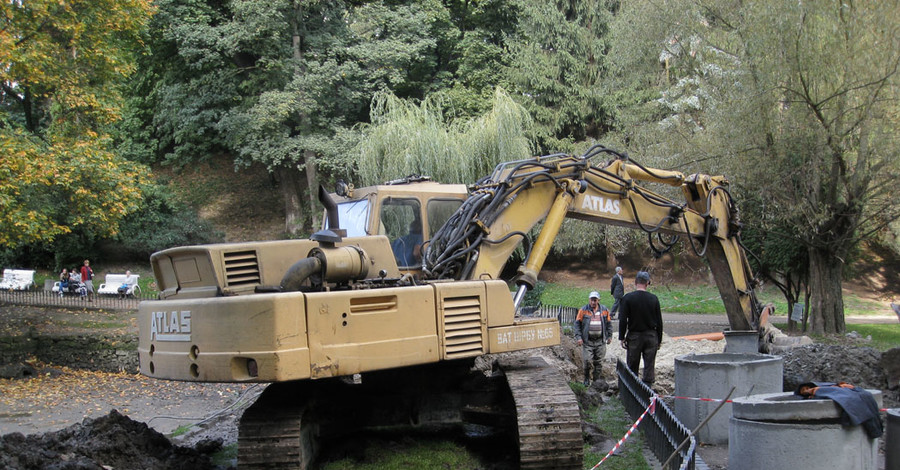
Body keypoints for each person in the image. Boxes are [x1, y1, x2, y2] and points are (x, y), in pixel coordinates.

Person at [618, 271, 662, 389]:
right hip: (651, 336)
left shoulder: (627, 298)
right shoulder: (654, 299)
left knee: (632, 366)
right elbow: (659, 321)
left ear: (635, 282)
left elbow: (623, 320)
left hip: (634, 336)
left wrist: (621, 337)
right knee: (649, 365)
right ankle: (647, 390)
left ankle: (633, 389)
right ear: (647, 283)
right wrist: (659, 339)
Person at [574, 291, 613, 386]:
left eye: (595, 300)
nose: (593, 302)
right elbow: (577, 324)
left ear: (598, 300)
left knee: (599, 362)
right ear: (589, 300)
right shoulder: (583, 310)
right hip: (588, 341)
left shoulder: (604, 310)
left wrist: (609, 336)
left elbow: (609, 324)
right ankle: (586, 378)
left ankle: (596, 381)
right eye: (592, 300)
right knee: (587, 360)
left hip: (600, 341)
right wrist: (578, 337)